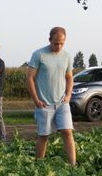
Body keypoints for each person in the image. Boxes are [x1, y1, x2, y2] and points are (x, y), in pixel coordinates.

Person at [26, 27, 76, 164]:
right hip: (44, 103)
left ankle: (73, 165)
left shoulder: (67, 56)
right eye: (56, 43)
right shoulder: (39, 54)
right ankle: (39, 164)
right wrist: (36, 100)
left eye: (62, 43)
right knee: (43, 136)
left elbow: (69, 77)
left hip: (62, 103)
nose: (58, 46)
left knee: (67, 132)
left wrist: (68, 95)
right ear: (49, 40)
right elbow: (30, 78)